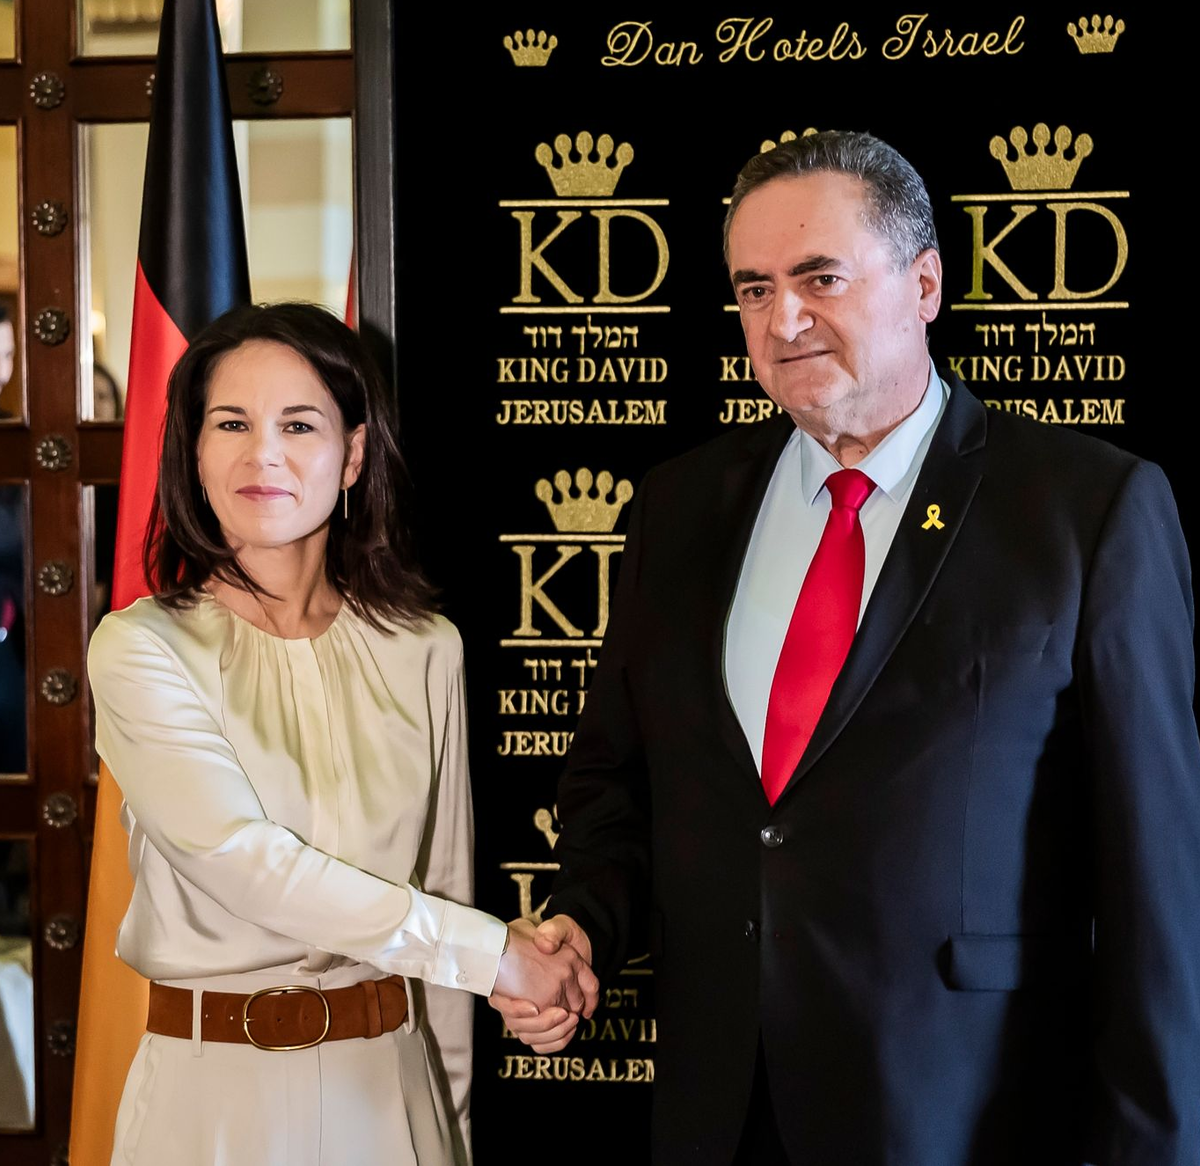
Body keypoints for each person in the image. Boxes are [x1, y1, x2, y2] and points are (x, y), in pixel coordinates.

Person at [491, 132, 1200, 1165]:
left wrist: (1149, 1145)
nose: (783, 320)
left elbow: (1154, 878)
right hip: (719, 1110)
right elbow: (617, 782)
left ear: (925, 284)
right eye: (754, 289)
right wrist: (586, 923)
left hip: (965, 1114)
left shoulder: (1087, 509)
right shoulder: (679, 506)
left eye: (820, 278)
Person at [87, 302, 598, 1166]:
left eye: (299, 424)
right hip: (207, 1105)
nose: (264, 453)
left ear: (354, 454)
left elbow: (445, 883)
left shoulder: (425, 648)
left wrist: (452, 1125)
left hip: (391, 1092)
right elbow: (244, 861)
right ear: (195, 451)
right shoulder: (141, 648)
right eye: (232, 423)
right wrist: (495, 957)